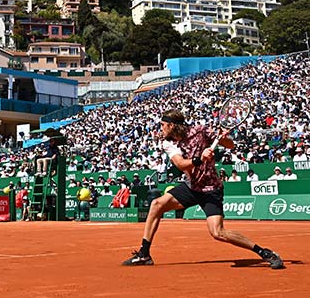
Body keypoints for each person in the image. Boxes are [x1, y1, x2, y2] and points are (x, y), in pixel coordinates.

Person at [122, 109, 284, 269]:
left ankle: (265, 253)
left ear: (171, 125)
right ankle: (144, 254)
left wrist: (223, 138)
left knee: (218, 232)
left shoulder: (200, 131)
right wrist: (200, 159)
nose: (161, 128)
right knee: (157, 204)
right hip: (191, 187)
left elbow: (231, 145)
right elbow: (180, 163)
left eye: (163, 125)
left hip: (211, 189)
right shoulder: (168, 143)